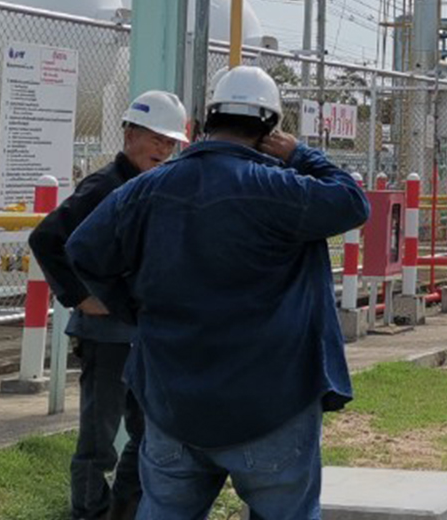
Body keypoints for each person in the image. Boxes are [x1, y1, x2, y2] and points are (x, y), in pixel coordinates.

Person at [69, 66, 369, 520]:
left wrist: (134, 308)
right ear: (270, 129)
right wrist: (300, 154)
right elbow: (352, 200)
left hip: (172, 403)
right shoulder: (280, 188)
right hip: (272, 402)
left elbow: (82, 250)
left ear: (208, 119)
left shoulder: (146, 190)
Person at [29, 91, 189, 520]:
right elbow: (45, 238)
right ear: (130, 134)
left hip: (141, 331)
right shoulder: (104, 186)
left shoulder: (153, 185)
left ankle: (124, 509)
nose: (163, 149)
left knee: (147, 431)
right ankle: (89, 512)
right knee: (99, 440)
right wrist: (79, 296)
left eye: (170, 142)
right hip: (106, 336)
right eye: (156, 139)